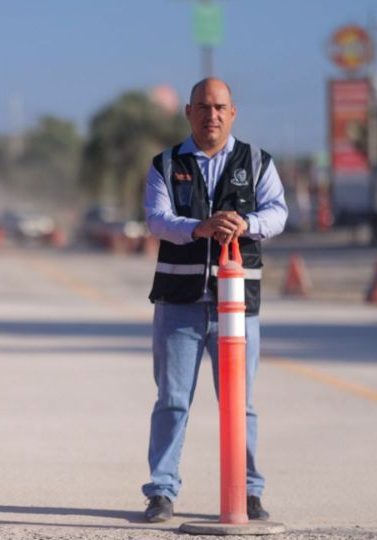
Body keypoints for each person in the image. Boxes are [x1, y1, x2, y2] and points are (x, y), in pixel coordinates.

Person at [141, 78, 287, 523]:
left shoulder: (258, 162)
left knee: (239, 402)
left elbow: (278, 213)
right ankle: (161, 493)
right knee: (172, 400)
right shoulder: (166, 164)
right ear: (188, 112)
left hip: (238, 308)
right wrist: (199, 227)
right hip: (178, 303)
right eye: (203, 107)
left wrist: (245, 223)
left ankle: (249, 492)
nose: (212, 115)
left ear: (233, 112)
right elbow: (156, 219)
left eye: (220, 107)